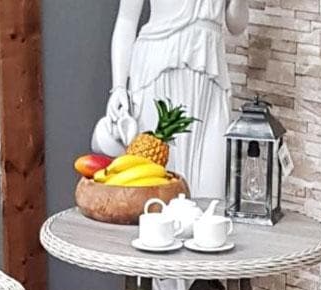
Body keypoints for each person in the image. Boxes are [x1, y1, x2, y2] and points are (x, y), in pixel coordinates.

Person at [106, 0, 249, 201]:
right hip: (159, 69)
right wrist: (119, 87)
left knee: (212, 192)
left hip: (210, 74)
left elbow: (236, 26)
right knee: (157, 186)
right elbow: (126, 20)